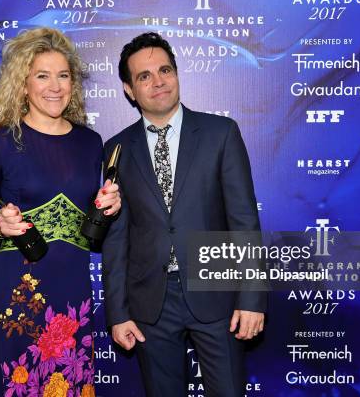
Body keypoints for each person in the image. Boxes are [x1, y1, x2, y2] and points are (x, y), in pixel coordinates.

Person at [102, 32, 266, 397]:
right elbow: (116, 238)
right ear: (129, 90)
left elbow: (244, 221)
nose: (158, 81)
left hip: (216, 288)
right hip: (149, 302)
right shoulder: (116, 150)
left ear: (177, 74)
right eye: (144, 76)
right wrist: (117, 312)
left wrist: (251, 298)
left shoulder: (220, 133)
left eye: (165, 70)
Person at [0, 27, 120, 397]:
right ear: (22, 84)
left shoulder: (90, 143)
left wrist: (108, 209)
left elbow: (90, 230)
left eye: (63, 76)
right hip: (20, 293)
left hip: (73, 293)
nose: (55, 86)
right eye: (42, 75)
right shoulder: (0, 143)